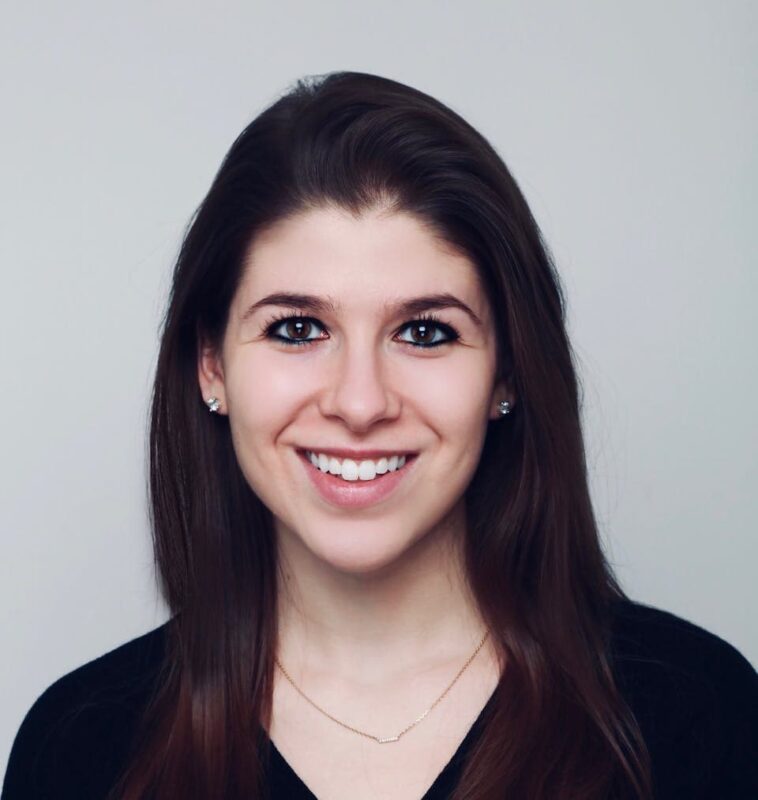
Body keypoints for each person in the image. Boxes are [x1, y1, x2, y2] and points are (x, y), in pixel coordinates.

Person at [2, 71, 756, 800]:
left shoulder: (701, 717)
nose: (360, 403)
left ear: (505, 375)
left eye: (425, 332)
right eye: (297, 329)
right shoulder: (79, 749)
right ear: (211, 366)